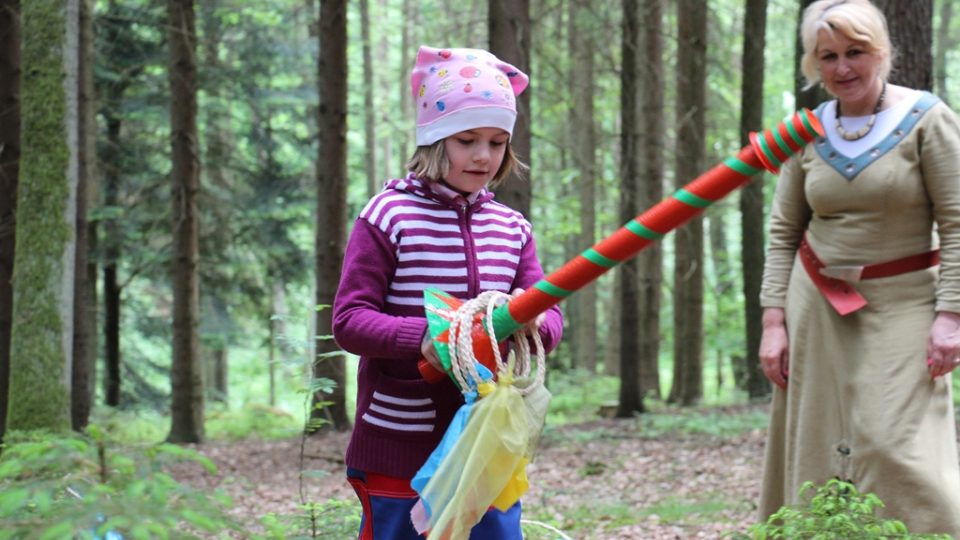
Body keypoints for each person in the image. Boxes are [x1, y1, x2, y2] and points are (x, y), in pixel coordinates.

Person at [332, 45, 563, 539]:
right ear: (435, 138)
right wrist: (427, 337)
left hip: (486, 439)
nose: (484, 155)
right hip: (400, 437)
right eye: (467, 139)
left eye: (498, 142)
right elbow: (349, 318)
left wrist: (537, 322)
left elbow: (548, 309)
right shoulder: (388, 217)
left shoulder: (512, 227)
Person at [758, 0, 960, 534]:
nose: (843, 67)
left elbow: (959, 222)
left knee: (894, 443)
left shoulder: (927, 119)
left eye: (855, 52)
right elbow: (783, 233)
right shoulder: (804, 131)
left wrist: (952, 316)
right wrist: (773, 323)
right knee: (813, 438)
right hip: (815, 304)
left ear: (882, 53)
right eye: (828, 56)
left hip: (906, 302)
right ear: (813, 64)